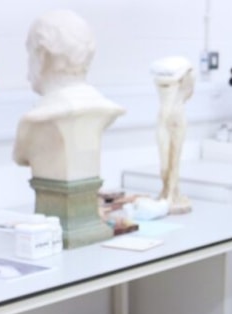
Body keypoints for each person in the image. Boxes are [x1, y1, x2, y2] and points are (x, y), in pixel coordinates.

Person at [13, 10, 125, 183]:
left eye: (30, 53)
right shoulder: (103, 107)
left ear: (42, 55)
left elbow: (20, 157)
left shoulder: (36, 121)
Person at [150, 56, 197, 214]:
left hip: (178, 121)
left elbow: (189, 92)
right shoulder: (161, 77)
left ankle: (172, 194)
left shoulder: (184, 76)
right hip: (163, 121)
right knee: (164, 166)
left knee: (174, 162)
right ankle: (165, 191)